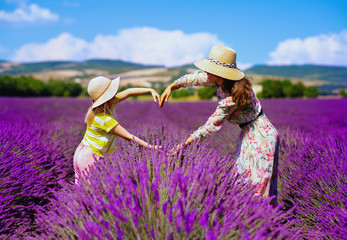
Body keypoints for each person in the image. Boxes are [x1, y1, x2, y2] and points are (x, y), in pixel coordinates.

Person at [160, 46, 279, 206]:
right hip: (250, 133)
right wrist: (172, 86)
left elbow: (209, 127)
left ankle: (263, 225)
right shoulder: (226, 81)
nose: (206, 72)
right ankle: (256, 222)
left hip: (261, 138)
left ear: (220, 75)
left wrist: (183, 145)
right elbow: (195, 78)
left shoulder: (232, 98)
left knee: (257, 189)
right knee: (242, 181)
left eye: (210, 70)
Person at [73, 76, 160, 185]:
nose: (115, 94)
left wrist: (150, 90)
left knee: (83, 188)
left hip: (83, 152)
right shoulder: (104, 119)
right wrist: (152, 147)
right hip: (90, 157)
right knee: (90, 191)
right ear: (106, 99)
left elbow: (128, 92)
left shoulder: (105, 105)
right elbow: (129, 137)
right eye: (111, 93)